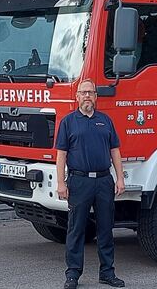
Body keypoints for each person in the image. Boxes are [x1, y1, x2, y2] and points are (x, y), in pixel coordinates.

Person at [56, 79, 126, 289]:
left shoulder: (105, 120)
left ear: (96, 96)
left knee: (106, 229)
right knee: (76, 229)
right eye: (83, 93)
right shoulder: (68, 122)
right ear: (77, 97)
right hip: (79, 181)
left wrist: (120, 178)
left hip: (104, 181)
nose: (87, 96)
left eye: (91, 92)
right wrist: (61, 182)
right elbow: (61, 154)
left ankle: (107, 272)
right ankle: (73, 274)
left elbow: (115, 150)